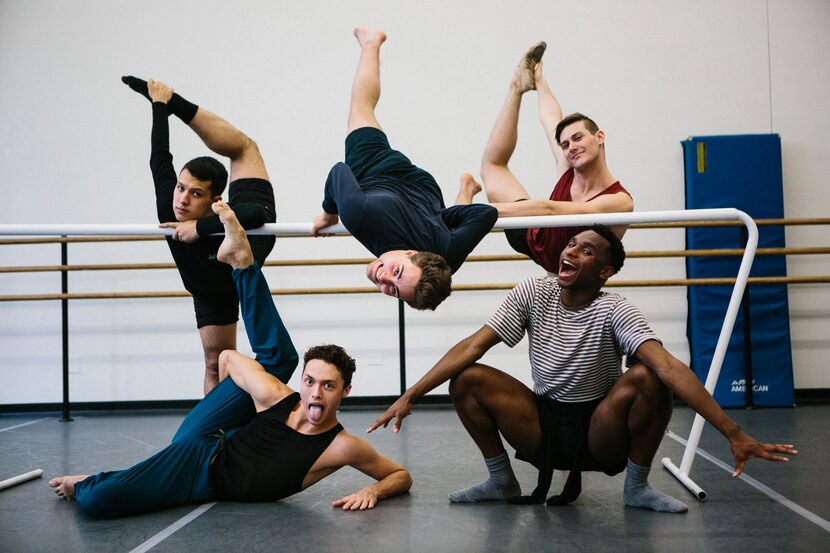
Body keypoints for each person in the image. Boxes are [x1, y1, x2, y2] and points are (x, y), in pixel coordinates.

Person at [368, 225, 796, 512]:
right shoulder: (535, 289)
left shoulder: (616, 309)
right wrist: (410, 396)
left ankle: (637, 488)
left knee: (650, 376)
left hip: (600, 429)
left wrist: (732, 432)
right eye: (571, 244)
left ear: (605, 271)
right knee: (469, 378)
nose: (571, 250)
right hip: (542, 423)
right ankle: (501, 481)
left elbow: (669, 366)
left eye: (586, 250)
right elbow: (473, 345)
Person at [49, 203, 412, 518]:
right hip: (206, 441)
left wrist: (373, 491)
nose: (316, 393)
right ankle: (243, 263)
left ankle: (91, 481)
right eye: (310, 382)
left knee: (99, 497)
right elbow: (227, 357)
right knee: (278, 359)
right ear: (301, 383)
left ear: (345, 391)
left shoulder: (342, 446)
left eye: (328, 386)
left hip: (202, 473)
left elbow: (400, 475)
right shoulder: (275, 398)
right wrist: (220, 403)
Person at [312, 28, 499, 311]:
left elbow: (485, 213)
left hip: (425, 189)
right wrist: (329, 212)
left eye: (395, 291)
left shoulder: (444, 262)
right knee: (360, 107)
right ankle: (372, 41)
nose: (383, 278)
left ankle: (466, 189)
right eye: (396, 272)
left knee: (449, 232)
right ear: (411, 254)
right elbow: (339, 171)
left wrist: (436, 216)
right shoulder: (357, 214)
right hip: (375, 169)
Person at [123, 76, 277, 394]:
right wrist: (158, 106)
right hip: (210, 290)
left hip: (251, 234)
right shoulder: (171, 202)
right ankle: (211, 435)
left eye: (195, 194)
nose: (181, 199)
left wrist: (200, 228)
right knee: (213, 362)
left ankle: (173, 99)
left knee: (245, 148)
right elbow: (159, 156)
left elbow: (256, 215)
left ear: (214, 200)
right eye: (182, 188)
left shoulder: (226, 212)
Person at [456, 43, 633, 273]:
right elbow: (550, 116)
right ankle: (516, 87)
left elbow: (551, 210)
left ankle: (468, 195)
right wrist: (539, 81)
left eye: (578, 138)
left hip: (572, 266)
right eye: (566, 144)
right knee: (492, 166)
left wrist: (476, 213)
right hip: (532, 236)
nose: (572, 147)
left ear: (599, 137)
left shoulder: (619, 201)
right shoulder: (567, 166)